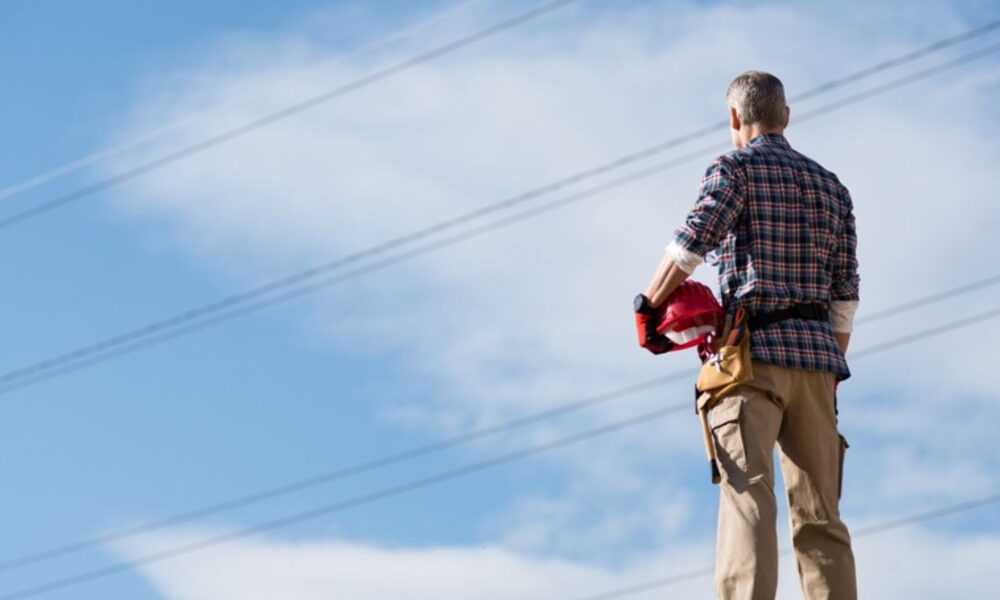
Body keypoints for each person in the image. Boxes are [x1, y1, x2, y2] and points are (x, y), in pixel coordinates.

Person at [634, 71, 860, 599]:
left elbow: (691, 244)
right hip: (817, 363)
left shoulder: (733, 168)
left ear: (735, 118)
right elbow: (845, 295)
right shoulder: (833, 187)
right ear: (786, 116)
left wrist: (648, 305)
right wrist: (826, 377)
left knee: (748, 497)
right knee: (821, 515)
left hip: (749, 359)